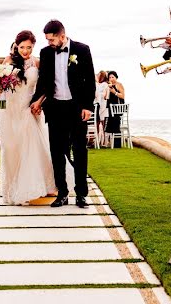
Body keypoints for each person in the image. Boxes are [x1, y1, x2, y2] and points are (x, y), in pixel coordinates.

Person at [32, 20, 96, 208]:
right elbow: (43, 81)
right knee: (57, 152)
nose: (49, 43)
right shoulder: (45, 53)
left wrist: (88, 106)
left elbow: (89, 80)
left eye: (52, 39)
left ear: (62, 35)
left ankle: (81, 194)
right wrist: (36, 101)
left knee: (79, 151)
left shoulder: (82, 49)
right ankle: (62, 193)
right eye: (47, 40)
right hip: (55, 108)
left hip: (76, 109)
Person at [0, 30, 57, 204]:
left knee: (33, 145)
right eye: (22, 47)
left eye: (29, 47)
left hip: (28, 108)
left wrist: (39, 103)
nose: (25, 51)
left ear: (33, 46)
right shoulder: (8, 61)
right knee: (12, 148)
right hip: (9, 111)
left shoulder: (37, 62)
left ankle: (38, 186)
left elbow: (46, 87)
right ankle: (13, 187)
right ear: (16, 45)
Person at [104, 71, 125, 145]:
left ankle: (117, 143)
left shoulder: (119, 85)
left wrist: (114, 92)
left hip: (118, 108)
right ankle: (110, 142)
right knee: (109, 121)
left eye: (113, 77)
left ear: (116, 77)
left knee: (115, 120)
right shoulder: (108, 86)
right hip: (110, 107)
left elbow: (122, 96)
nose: (111, 78)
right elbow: (105, 97)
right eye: (110, 77)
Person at [93, 71, 109, 147]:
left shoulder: (103, 84)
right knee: (99, 123)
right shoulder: (101, 84)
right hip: (100, 105)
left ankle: (100, 141)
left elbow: (104, 95)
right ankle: (98, 141)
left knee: (99, 123)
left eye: (98, 74)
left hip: (101, 105)